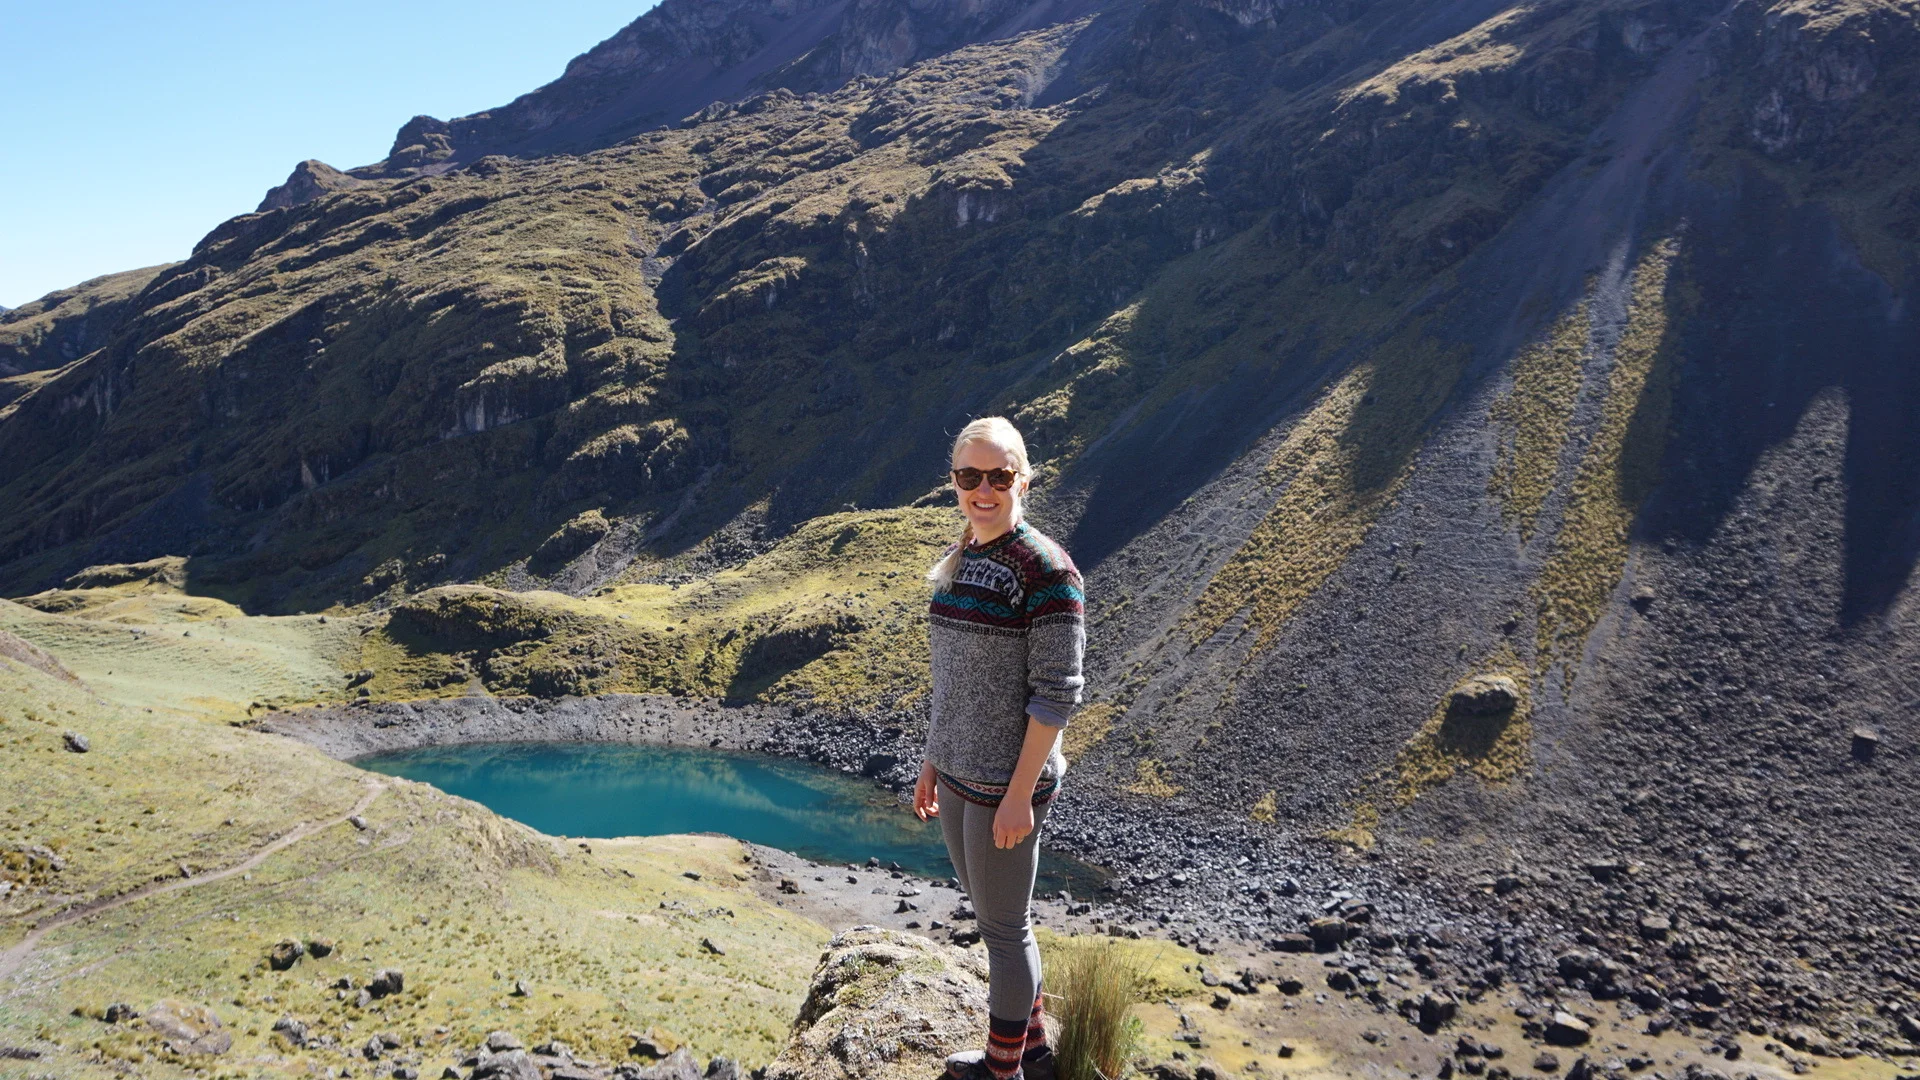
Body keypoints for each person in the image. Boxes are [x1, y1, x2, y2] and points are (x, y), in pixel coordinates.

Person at [914, 416, 1086, 1080]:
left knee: (1005, 934)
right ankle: (1034, 1048)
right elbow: (950, 680)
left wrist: (1020, 795)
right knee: (996, 921)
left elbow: (1056, 695)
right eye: (968, 476)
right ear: (954, 482)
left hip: (1005, 788)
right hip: (957, 775)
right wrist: (933, 758)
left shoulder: (1046, 569)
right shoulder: (967, 557)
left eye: (998, 476)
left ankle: (1000, 1067)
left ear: (1023, 478)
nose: (982, 489)